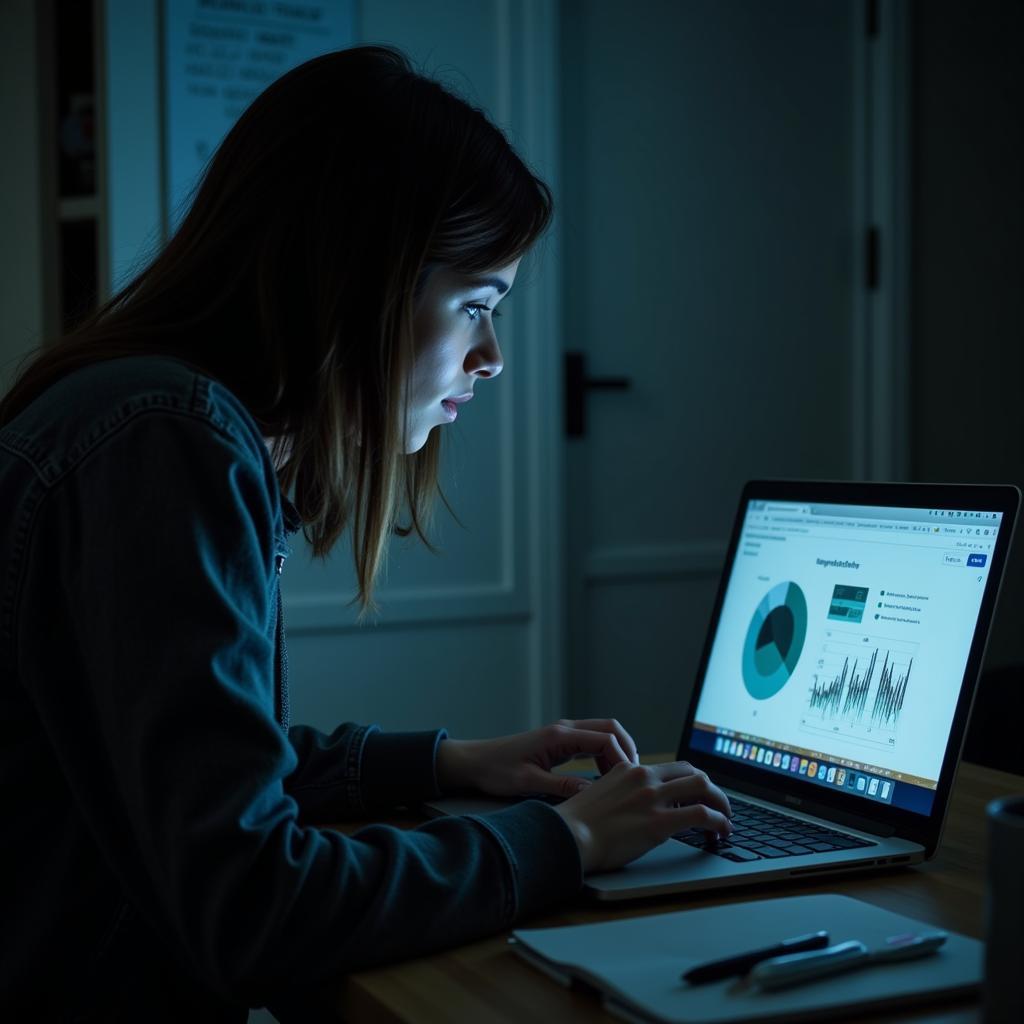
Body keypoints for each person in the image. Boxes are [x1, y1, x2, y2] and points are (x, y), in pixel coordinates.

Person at [0, 44, 731, 1021]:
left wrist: (444, 762)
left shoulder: (142, 416)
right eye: (475, 304)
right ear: (359, 276)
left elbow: (176, 766)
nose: (492, 356)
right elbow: (255, 903)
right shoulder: (167, 440)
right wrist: (568, 842)